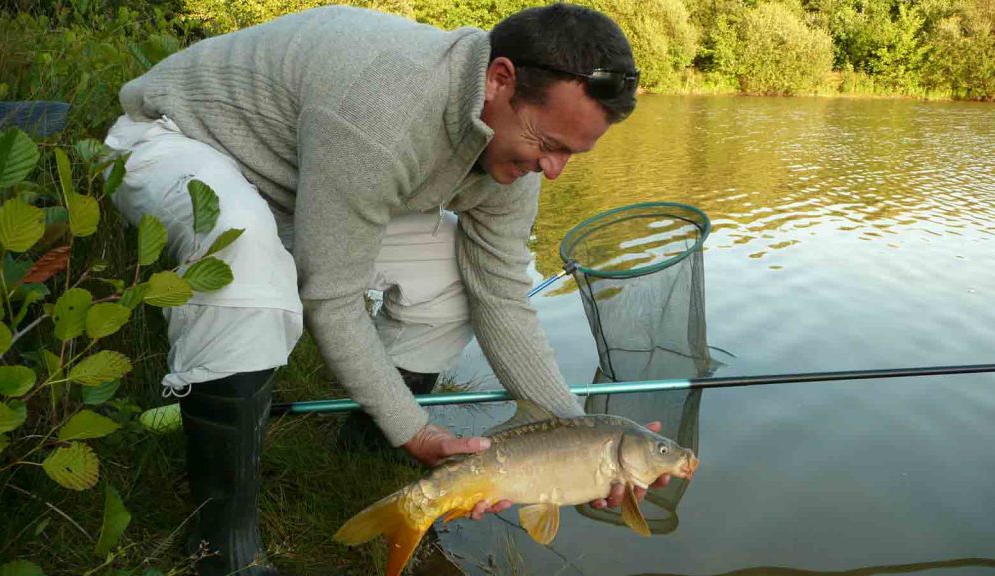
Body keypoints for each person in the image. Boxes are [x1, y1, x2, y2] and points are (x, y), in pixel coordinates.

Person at [104, 3, 664, 574]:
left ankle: (365, 448)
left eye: (572, 152)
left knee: (452, 276)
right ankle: (222, 549)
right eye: (550, 144)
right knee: (243, 255)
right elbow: (331, 296)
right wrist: (417, 430)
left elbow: (500, 295)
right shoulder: (382, 107)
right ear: (500, 80)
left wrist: (586, 439)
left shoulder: (513, 148)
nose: (554, 169)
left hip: (300, 186)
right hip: (179, 145)